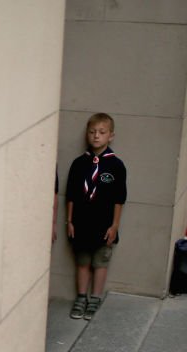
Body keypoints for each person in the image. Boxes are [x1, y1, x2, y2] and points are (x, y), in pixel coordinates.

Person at [65, 113, 127, 320]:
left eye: (102, 132)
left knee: (100, 261)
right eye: (92, 132)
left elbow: (119, 199)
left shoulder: (116, 165)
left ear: (111, 135)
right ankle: (81, 297)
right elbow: (71, 195)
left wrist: (115, 225)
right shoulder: (78, 164)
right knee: (82, 261)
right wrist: (69, 221)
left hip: (103, 223)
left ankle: (95, 298)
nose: (96, 136)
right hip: (81, 222)